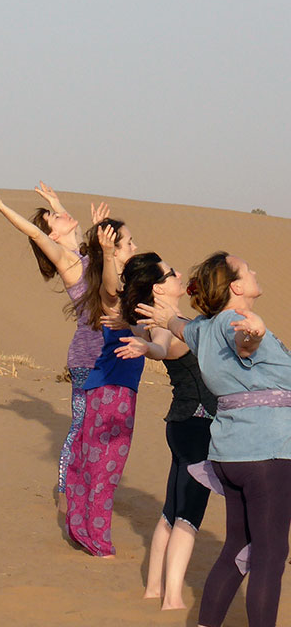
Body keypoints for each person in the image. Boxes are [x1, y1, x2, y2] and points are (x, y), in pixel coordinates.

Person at [140, 252, 291, 627]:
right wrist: (254, 336)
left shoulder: (202, 328)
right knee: (270, 555)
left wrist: (168, 315)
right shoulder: (231, 323)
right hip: (267, 452)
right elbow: (245, 341)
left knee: (237, 550)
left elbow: (180, 326)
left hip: (230, 453)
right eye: (249, 268)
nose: (257, 270)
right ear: (236, 287)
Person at [0, 182, 109, 502]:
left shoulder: (87, 253)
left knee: (101, 428)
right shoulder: (67, 260)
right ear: (54, 236)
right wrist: (1, 206)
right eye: (56, 217)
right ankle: (66, 487)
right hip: (87, 357)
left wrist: (55, 201)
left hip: (108, 355)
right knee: (81, 427)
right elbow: (35, 234)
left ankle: (92, 485)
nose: (64, 215)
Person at [115, 258, 216, 608]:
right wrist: (149, 349)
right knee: (188, 512)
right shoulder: (164, 327)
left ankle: (153, 588)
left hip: (183, 424)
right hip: (196, 425)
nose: (178, 274)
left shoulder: (166, 321)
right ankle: (172, 597)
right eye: (171, 273)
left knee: (171, 510)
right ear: (158, 288)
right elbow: (159, 345)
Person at [64, 226, 159, 558]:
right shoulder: (115, 292)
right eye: (129, 242)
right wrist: (105, 251)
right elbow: (107, 290)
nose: (135, 245)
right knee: (104, 469)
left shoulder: (132, 292)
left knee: (91, 464)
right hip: (111, 392)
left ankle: (80, 527)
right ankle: (97, 540)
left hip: (109, 390)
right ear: (114, 251)